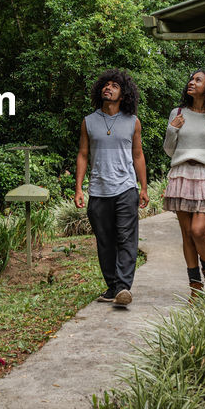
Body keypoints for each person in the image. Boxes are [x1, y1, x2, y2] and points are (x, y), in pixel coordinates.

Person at [75, 69, 149, 308]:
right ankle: (113, 286)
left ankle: (123, 287)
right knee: (105, 241)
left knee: (127, 239)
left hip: (126, 188)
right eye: (105, 85)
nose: (108, 88)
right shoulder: (89, 121)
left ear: (123, 93)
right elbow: (83, 154)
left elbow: (138, 155)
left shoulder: (132, 121)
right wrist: (78, 188)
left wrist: (144, 187)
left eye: (114, 85)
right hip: (98, 190)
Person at [163, 69, 205, 293]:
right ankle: (195, 287)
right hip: (181, 174)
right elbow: (169, 150)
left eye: (197, 80)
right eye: (191, 79)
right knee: (186, 235)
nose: (191, 82)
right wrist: (172, 130)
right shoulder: (178, 112)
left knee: (198, 231)